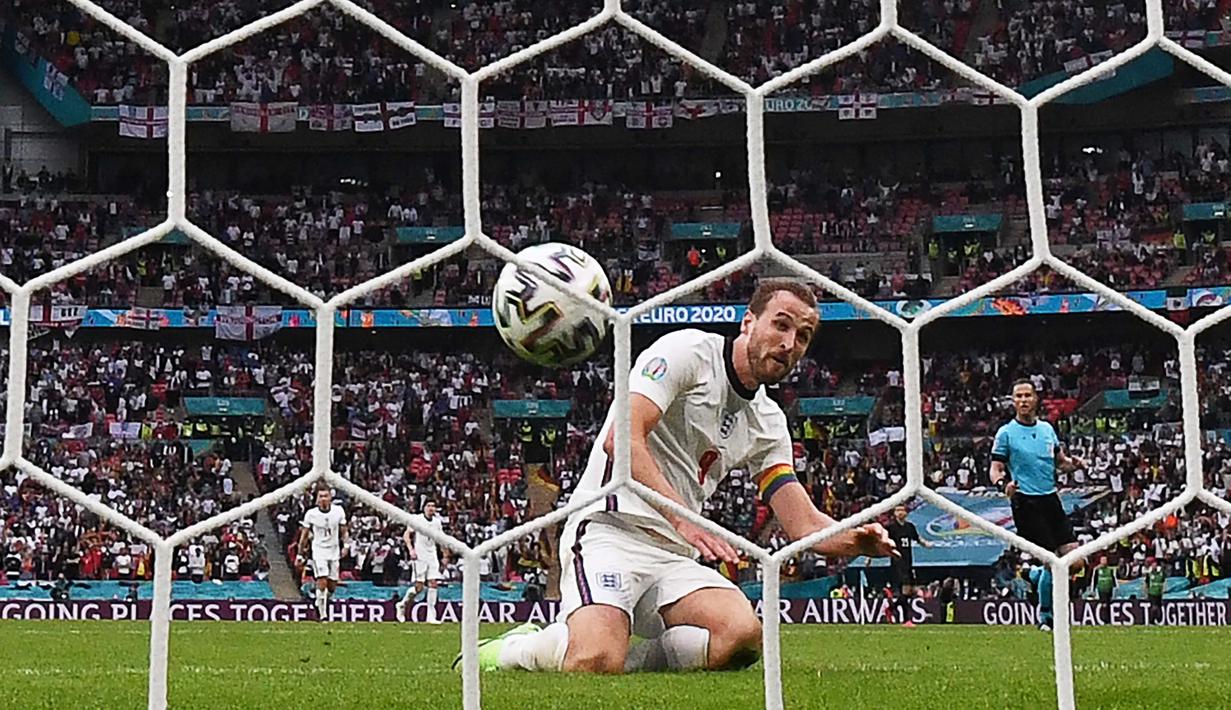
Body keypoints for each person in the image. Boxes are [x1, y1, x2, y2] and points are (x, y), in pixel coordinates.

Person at [465, 279, 897, 674]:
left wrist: (852, 538)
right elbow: (623, 439)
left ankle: (623, 658)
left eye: (802, 336)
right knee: (594, 659)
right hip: (609, 531)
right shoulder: (687, 352)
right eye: (780, 325)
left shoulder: (767, 420)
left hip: (672, 554)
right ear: (748, 322)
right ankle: (511, 651)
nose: (789, 343)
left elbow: (802, 523)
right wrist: (682, 518)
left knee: (742, 638)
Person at [988, 379, 1086, 631]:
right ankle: (1047, 618)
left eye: (1027, 395)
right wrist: (1003, 485)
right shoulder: (1006, 433)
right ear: (1013, 401)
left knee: (1075, 562)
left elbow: (1060, 462)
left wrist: (1074, 464)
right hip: (1026, 503)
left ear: (1035, 399)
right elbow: (995, 468)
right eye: (1018, 396)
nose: (1022, 400)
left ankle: (1032, 575)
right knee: (1053, 561)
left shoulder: (1046, 430)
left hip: (1051, 499)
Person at [297, 486, 348, 622]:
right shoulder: (311, 514)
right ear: (316, 499)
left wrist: (346, 545)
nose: (324, 499)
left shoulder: (338, 511)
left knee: (332, 585)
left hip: (334, 550)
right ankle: (323, 615)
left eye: (326, 496)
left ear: (331, 498)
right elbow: (304, 536)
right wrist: (300, 555)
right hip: (319, 550)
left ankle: (319, 602)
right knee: (322, 580)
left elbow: (343, 530)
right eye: (321, 496)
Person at [397, 500, 445, 624]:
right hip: (420, 555)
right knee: (419, 587)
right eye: (429, 506)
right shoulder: (417, 519)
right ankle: (402, 604)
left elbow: (441, 539)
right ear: (423, 508)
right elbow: (406, 535)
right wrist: (411, 550)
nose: (431, 508)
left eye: (433, 506)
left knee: (433, 583)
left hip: (432, 554)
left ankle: (431, 616)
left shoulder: (437, 522)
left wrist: (445, 555)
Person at [885, 504, 932, 626]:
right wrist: (870, 558)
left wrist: (926, 544)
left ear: (906, 513)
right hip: (898, 562)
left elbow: (917, 538)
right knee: (906, 590)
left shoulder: (910, 527)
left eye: (902, 510)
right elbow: (882, 542)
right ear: (894, 513)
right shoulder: (891, 528)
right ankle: (906, 620)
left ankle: (892, 608)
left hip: (909, 561)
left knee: (910, 591)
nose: (900, 512)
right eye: (897, 510)